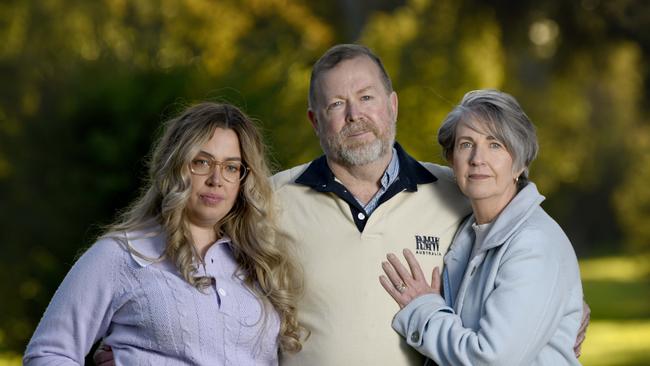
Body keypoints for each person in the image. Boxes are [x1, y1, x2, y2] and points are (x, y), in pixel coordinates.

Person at [24, 102, 306, 365]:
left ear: (244, 179)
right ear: (176, 164)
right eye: (202, 162)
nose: (216, 180)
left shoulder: (260, 263)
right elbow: (48, 353)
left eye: (231, 167)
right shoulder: (124, 254)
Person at [380, 89, 584, 365]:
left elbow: (490, 360)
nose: (478, 158)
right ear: (452, 161)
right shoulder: (469, 232)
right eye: (466, 144)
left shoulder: (534, 243)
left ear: (520, 163)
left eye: (495, 144)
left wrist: (423, 309)